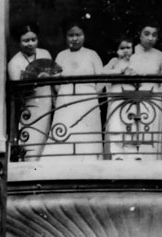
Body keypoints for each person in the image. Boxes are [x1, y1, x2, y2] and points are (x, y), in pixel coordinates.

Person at [44, 20, 105, 159]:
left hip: (87, 99)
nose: (75, 39)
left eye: (78, 34)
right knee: (65, 129)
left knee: (86, 132)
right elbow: (55, 79)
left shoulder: (92, 55)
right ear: (66, 37)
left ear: (84, 35)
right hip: (66, 98)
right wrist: (62, 93)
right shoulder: (61, 55)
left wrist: (92, 95)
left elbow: (101, 79)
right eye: (71, 35)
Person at [7, 23, 56, 161]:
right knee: (31, 138)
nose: (30, 44)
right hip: (29, 107)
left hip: (46, 102)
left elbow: (55, 76)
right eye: (26, 40)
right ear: (18, 42)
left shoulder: (44, 54)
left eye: (33, 39)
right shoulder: (14, 63)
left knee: (48, 136)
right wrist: (34, 81)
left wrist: (49, 77)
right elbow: (18, 89)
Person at [121, 24, 162, 159]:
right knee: (134, 129)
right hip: (134, 96)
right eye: (146, 34)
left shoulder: (160, 55)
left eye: (154, 35)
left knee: (152, 131)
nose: (150, 38)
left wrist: (159, 95)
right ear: (140, 35)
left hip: (154, 96)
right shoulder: (131, 52)